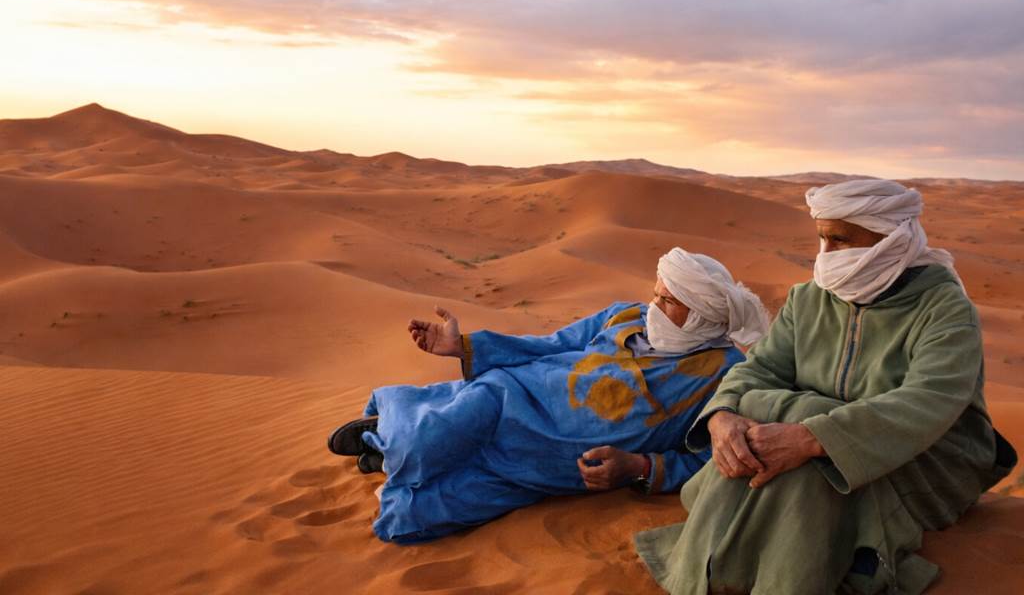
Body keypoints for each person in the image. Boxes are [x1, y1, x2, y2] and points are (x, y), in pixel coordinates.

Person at [635, 179, 1018, 595]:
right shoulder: (808, 300)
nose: (827, 253)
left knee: (810, 448)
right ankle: (728, 570)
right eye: (822, 238)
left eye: (840, 239)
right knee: (763, 413)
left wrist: (813, 438)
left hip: (927, 464)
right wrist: (722, 415)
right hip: (811, 445)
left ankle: (754, 576)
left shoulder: (944, 309)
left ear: (890, 238)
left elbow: (929, 401)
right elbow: (759, 368)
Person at [326, 248, 769, 543]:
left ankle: (388, 452)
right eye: (656, 295)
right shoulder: (625, 316)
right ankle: (389, 436)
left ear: (703, 314)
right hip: (511, 400)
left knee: (407, 522)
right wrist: (461, 347)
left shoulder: (725, 373)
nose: (653, 308)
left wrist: (638, 467)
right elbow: (551, 345)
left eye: (669, 301)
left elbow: (707, 459)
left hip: (550, 467)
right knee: (422, 444)